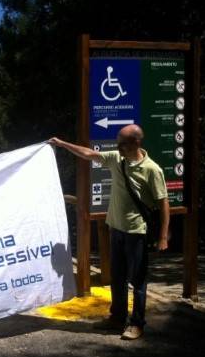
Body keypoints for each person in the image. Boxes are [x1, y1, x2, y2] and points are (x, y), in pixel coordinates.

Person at [50, 125, 169, 340]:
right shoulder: (117, 159)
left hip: (136, 232)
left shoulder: (152, 170)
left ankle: (137, 324)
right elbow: (89, 154)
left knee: (138, 281)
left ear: (136, 143)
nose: (118, 147)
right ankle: (117, 318)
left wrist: (162, 236)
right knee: (117, 278)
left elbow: (163, 203)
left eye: (122, 143)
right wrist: (62, 144)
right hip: (116, 229)